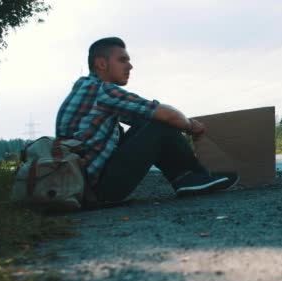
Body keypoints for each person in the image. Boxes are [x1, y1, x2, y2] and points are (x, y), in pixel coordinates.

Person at [55, 37, 238, 205]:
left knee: (149, 121)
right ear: (101, 63)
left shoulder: (86, 89)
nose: (130, 66)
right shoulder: (103, 90)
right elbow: (167, 115)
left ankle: (186, 178)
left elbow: (142, 117)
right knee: (158, 122)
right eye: (122, 60)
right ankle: (192, 176)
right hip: (98, 190)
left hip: (82, 186)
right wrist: (191, 126)